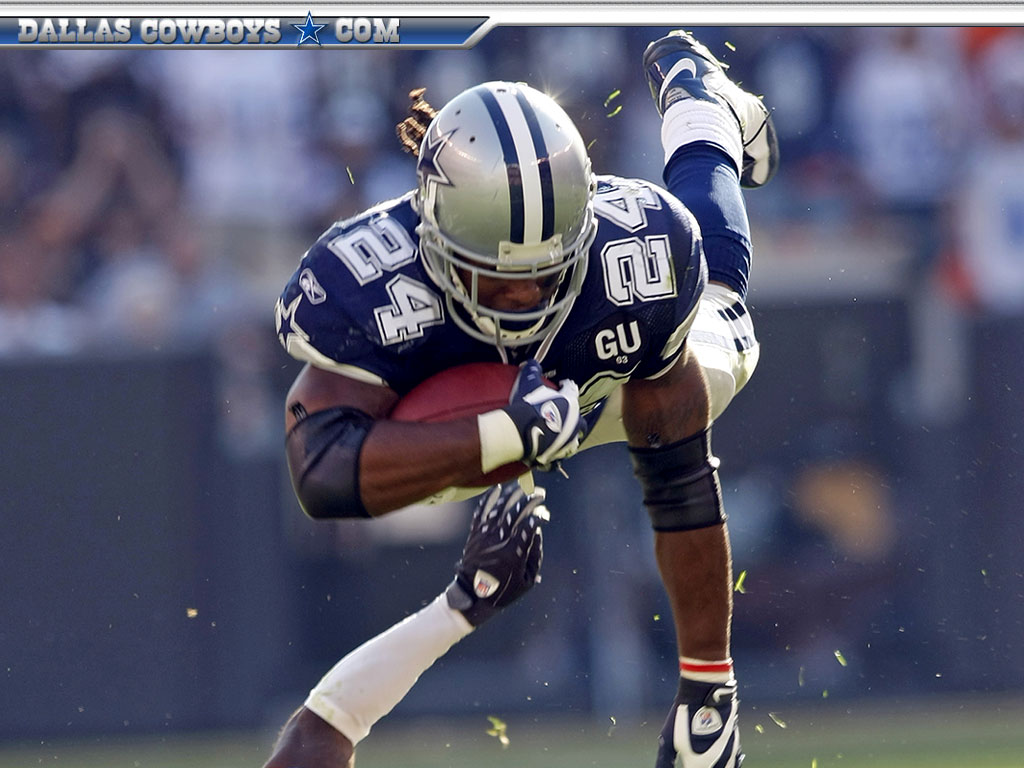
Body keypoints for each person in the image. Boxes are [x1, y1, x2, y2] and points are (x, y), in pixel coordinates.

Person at [267, 30, 778, 768]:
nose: (523, 298)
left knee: (725, 323)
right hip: (480, 419)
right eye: (499, 278)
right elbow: (321, 473)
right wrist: (506, 436)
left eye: (544, 273)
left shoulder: (632, 257)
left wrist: (708, 687)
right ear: (436, 238)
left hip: (591, 386)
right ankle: (702, 112)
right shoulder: (370, 279)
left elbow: (679, 479)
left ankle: (700, 108)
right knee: (411, 491)